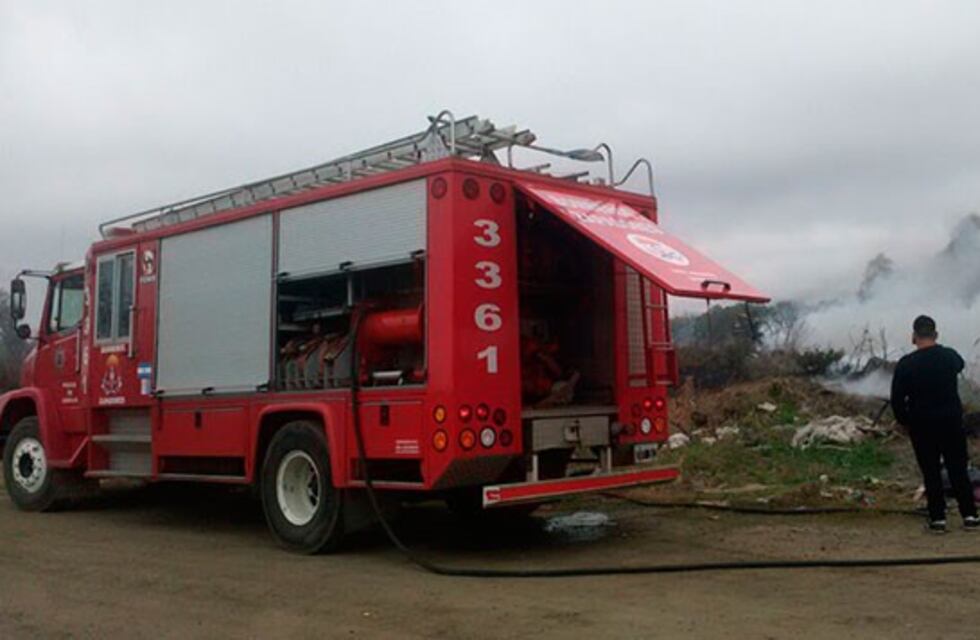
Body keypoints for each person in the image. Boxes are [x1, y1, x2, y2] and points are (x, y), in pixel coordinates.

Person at [891, 315, 979, 533]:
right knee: (958, 469)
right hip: (950, 422)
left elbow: (897, 399)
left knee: (930, 471)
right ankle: (970, 516)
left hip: (922, 425)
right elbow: (960, 365)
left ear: (914, 337)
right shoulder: (950, 357)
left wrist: (905, 421)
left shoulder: (906, 364)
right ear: (936, 334)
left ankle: (938, 519)